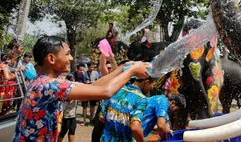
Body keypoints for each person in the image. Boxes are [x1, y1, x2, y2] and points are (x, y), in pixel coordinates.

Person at [13, 35, 150, 142]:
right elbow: (106, 91)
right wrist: (132, 71)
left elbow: (92, 87)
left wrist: (122, 68)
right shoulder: (49, 85)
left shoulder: (43, 82)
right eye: (67, 54)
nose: (72, 58)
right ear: (51, 59)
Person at [99, 76, 157, 142]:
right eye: (152, 85)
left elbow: (102, 118)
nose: (152, 89)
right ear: (146, 82)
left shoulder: (116, 90)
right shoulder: (142, 99)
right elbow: (135, 128)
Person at [58, 74, 77, 142]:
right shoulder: (66, 89)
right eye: (71, 80)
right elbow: (68, 99)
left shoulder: (75, 89)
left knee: (72, 130)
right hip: (65, 114)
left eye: (73, 79)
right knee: (64, 130)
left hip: (73, 114)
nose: (73, 81)